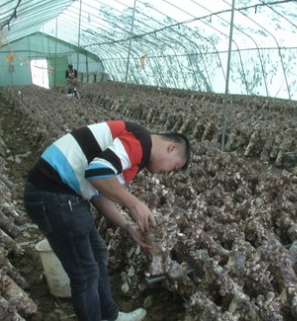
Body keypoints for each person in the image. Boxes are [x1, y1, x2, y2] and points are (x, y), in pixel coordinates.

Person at [23, 120, 191, 321]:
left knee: (98, 253)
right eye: (175, 166)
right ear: (172, 148)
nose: (169, 173)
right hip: (52, 193)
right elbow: (96, 173)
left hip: (66, 195)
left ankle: (110, 315)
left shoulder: (138, 155)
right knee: (85, 275)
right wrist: (133, 203)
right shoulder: (141, 141)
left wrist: (127, 226)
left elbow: (98, 193)